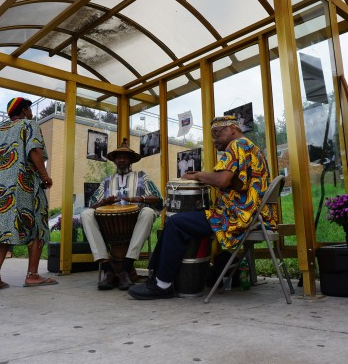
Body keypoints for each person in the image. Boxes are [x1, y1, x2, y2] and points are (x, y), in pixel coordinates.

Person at [128, 115, 275, 300]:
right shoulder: (253, 148)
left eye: (217, 133)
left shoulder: (237, 145)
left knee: (175, 223)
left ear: (232, 129)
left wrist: (197, 175)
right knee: (183, 222)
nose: (214, 139)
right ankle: (157, 276)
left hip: (237, 216)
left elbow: (222, 180)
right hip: (255, 216)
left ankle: (162, 284)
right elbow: (237, 184)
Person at [0, 97, 56, 292]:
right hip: (23, 185)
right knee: (37, 226)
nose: (31, 113)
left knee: (1, 231)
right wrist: (44, 175)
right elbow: (34, 149)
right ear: (24, 111)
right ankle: (32, 275)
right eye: (30, 110)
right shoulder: (28, 125)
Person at [80, 138, 162, 290]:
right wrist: (104, 202)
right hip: (110, 227)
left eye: (125, 157)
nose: (122, 160)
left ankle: (126, 268)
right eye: (119, 157)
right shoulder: (107, 181)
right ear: (114, 160)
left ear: (131, 160)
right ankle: (108, 269)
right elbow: (92, 204)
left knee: (149, 212)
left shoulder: (141, 176)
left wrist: (135, 198)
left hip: (136, 223)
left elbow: (157, 198)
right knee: (86, 214)